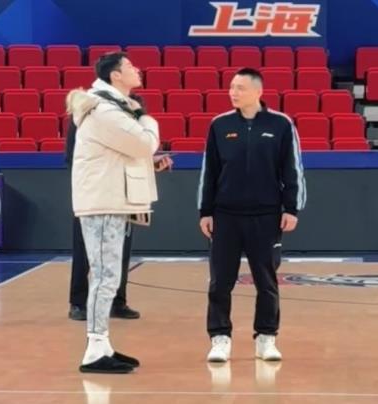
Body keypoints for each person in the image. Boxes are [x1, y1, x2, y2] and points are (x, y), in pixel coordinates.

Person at [198, 68, 306, 363]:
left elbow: (292, 169)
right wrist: (205, 211)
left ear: (258, 91)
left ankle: (266, 338)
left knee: (266, 281)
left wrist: (291, 208)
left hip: (266, 216)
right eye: (232, 87)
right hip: (225, 216)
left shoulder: (281, 124)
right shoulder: (219, 124)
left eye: (240, 88)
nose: (233, 92)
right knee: (220, 282)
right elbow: (210, 172)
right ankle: (220, 338)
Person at [68, 52, 163, 373]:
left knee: (108, 275)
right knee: (105, 276)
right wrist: (148, 121)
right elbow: (144, 143)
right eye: (130, 67)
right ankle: (94, 350)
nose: (138, 70)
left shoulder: (111, 107)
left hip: (108, 199)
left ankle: (102, 344)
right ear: (115, 75)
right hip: (103, 201)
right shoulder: (104, 110)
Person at [66, 93, 172, 322]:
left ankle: (117, 301)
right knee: (85, 252)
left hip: (123, 197)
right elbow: (74, 158)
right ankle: (78, 302)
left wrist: (151, 163)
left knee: (120, 252)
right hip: (93, 197)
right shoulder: (89, 119)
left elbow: (131, 157)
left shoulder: (127, 128)